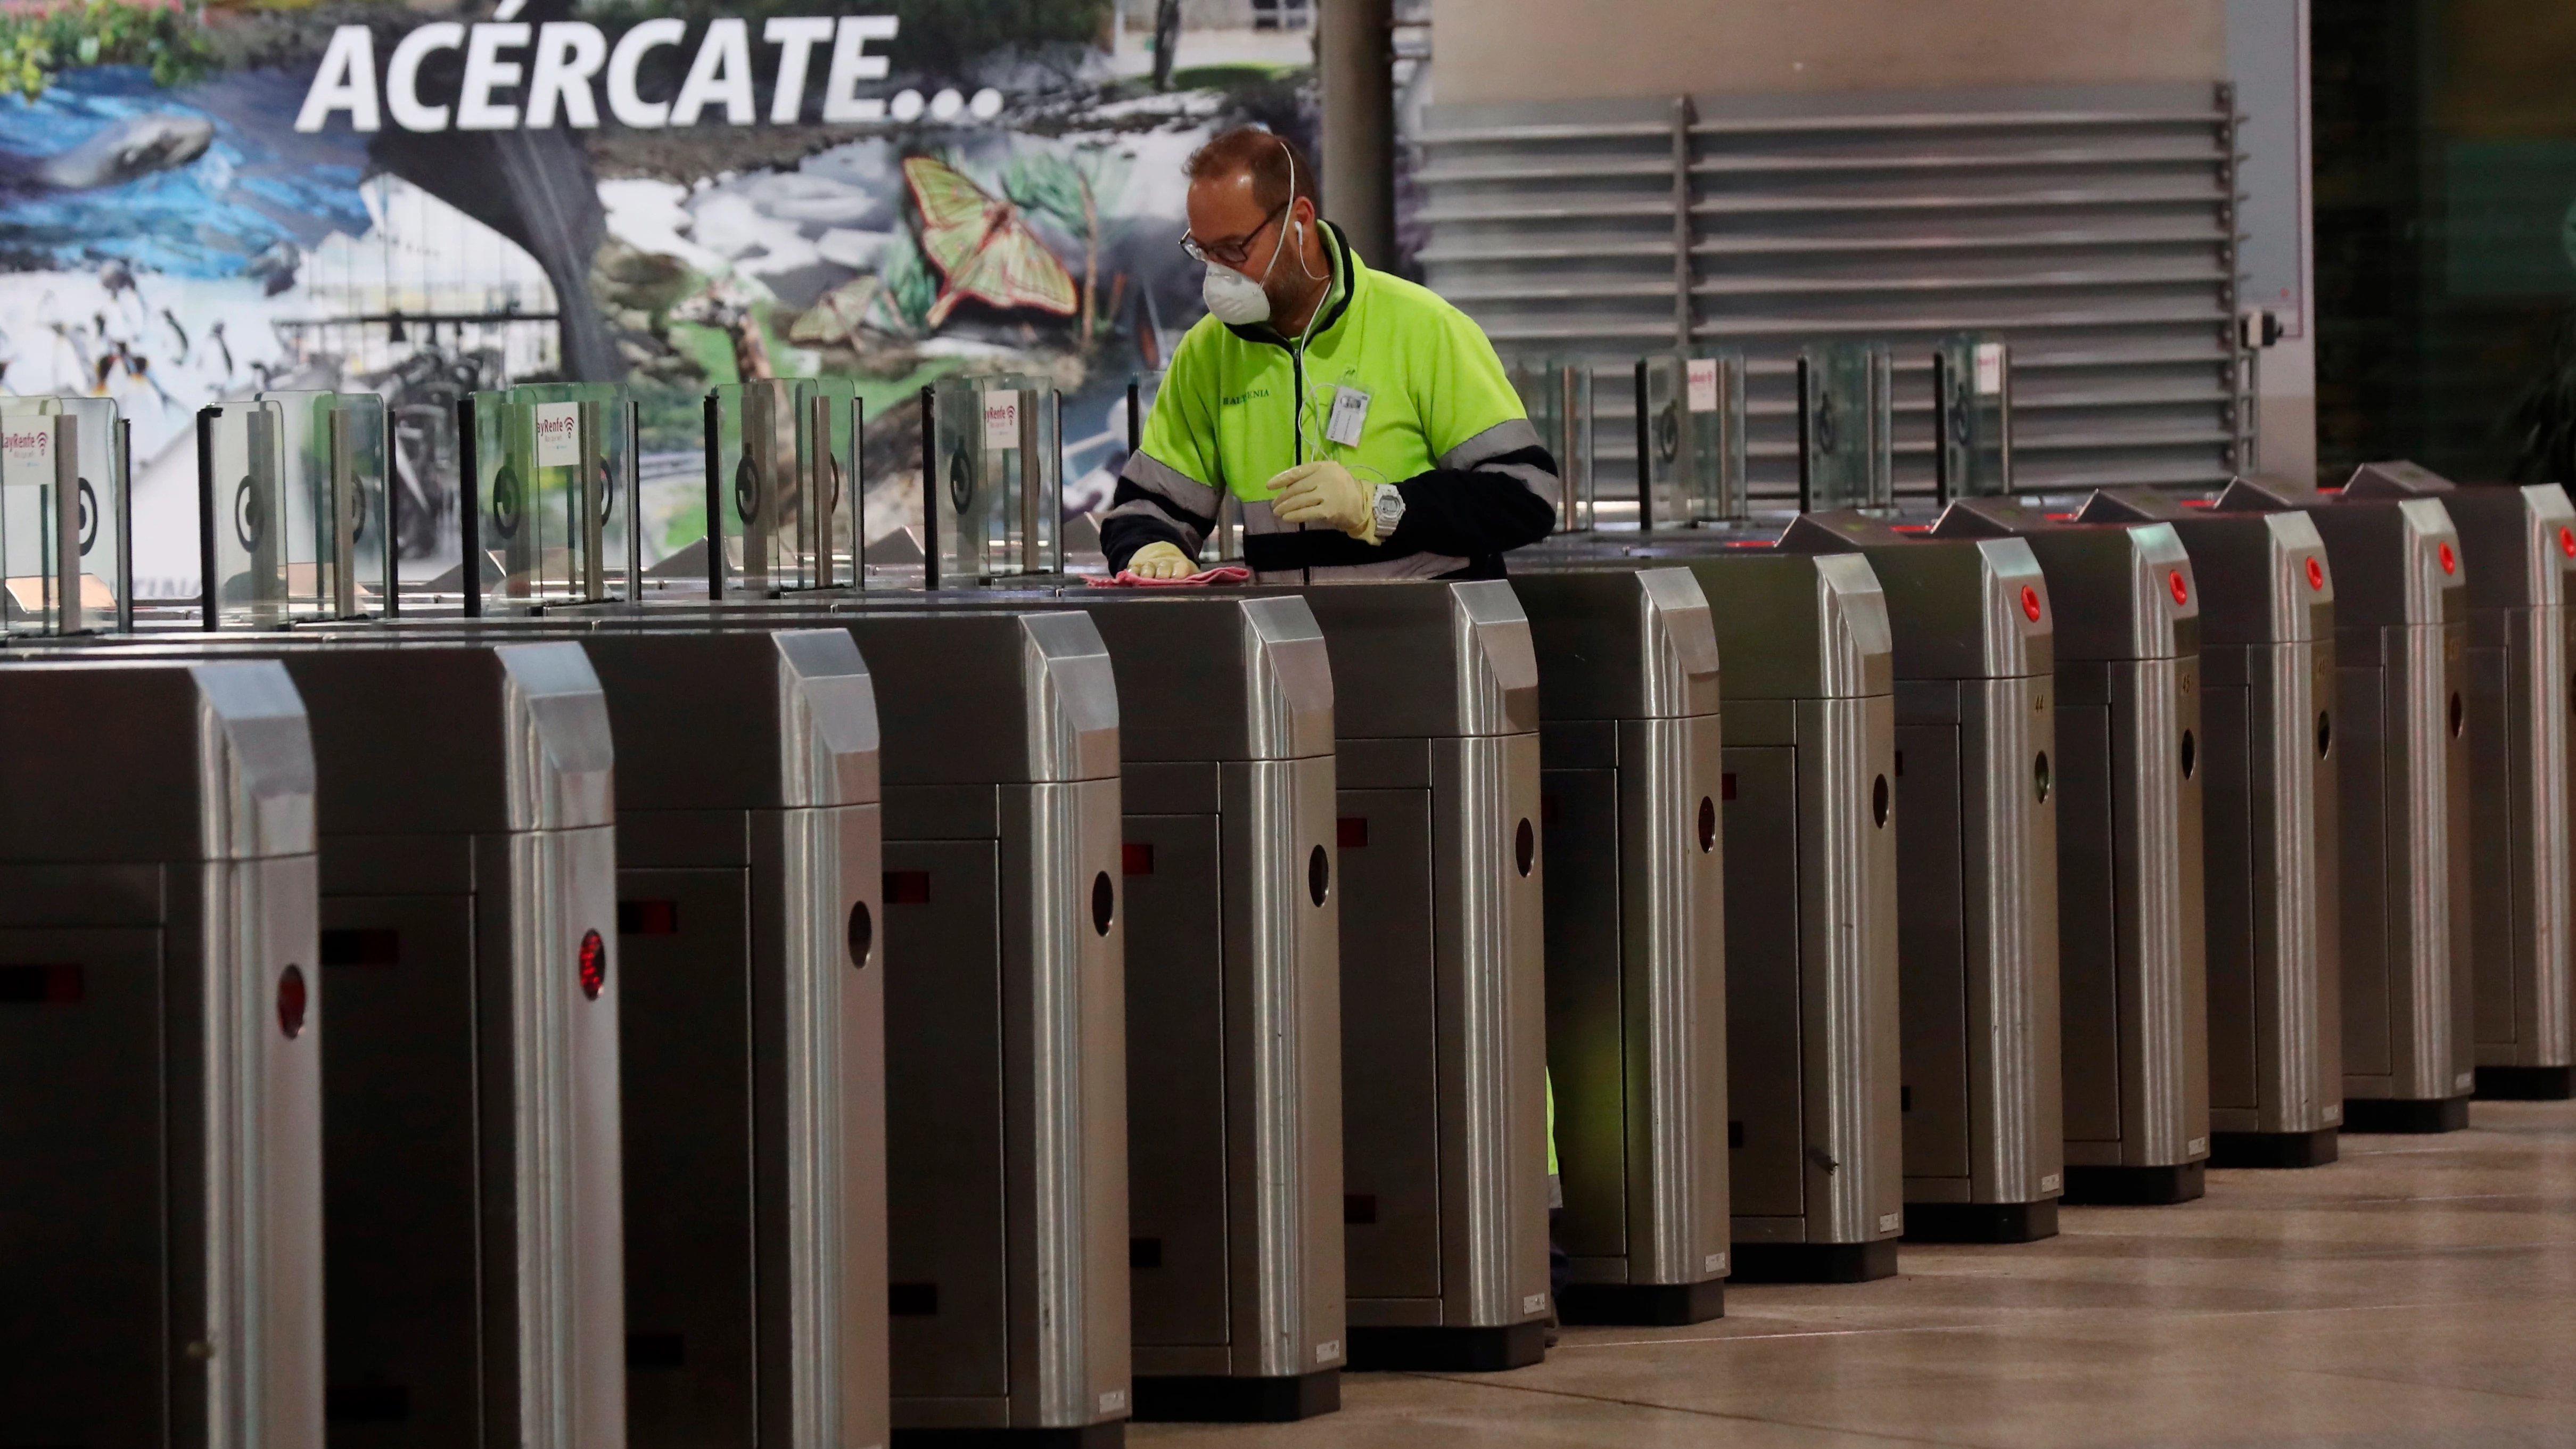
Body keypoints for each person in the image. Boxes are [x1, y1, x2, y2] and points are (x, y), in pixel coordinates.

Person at [1102, 127, 1558, 582]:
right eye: (1203, 252)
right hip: (1287, 642)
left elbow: (1525, 496)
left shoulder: (1423, 327)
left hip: (1425, 637)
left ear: (1299, 223)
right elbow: (1146, 507)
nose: (1218, 273)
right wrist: (1151, 547)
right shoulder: (1208, 352)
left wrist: (1375, 506)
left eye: (1234, 250)